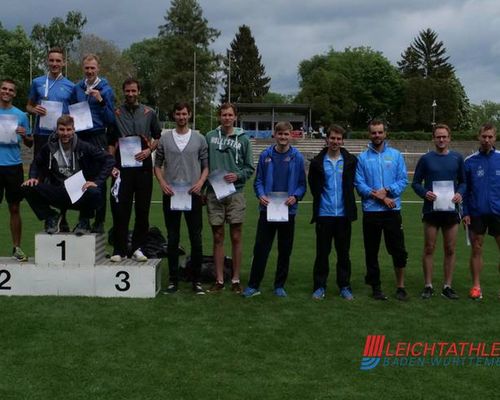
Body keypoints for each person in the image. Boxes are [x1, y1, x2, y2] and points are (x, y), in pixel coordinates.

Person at [242, 121, 306, 298]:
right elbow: (258, 181)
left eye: (286, 134)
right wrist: (261, 195)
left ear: (291, 135)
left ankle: (279, 285)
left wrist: (295, 196)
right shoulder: (265, 155)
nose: (283, 137)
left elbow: (302, 185)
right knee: (261, 248)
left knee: (285, 250)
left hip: (288, 210)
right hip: (267, 210)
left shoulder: (297, 157)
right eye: (280, 134)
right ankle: (254, 285)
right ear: (275, 135)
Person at [22, 115, 114, 234]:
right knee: (27, 187)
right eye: (62, 129)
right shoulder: (49, 147)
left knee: (95, 191)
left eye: (68, 129)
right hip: (58, 190)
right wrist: (33, 177)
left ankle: (84, 220)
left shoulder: (84, 146)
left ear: (74, 130)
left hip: (79, 192)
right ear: (56, 130)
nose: (65, 133)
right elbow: (36, 162)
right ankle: (51, 216)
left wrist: (97, 181)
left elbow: (109, 160)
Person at [154, 102, 208, 294]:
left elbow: (206, 166)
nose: (181, 117)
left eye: (184, 113)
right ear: (174, 115)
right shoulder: (165, 139)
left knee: (196, 238)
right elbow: (157, 165)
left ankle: (196, 280)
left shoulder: (199, 138)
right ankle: (173, 280)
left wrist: (201, 183)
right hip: (172, 194)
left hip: (193, 194)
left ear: (189, 115)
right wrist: (162, 184)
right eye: (178, 114)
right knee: (173, 237)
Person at [108, 78, 161, 262]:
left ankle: (139, 248)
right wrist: (111, 164)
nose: (130, 94)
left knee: (142, 209)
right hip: (121, 167)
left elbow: (158, 137)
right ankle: (119, 249)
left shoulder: (149, 113)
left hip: (143, 168)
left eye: (133, 91)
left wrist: (149, 150)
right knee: (120, 209)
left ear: (139, 91)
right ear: (123, 92)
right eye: (127, 91)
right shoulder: (115, 113)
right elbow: (110, 141)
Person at [355, 119, 409, 300]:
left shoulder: (396, 155)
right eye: (373, 133)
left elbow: (403, 180)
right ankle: (375, 287)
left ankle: (400, 286)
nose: (377, 135)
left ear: (385, 133)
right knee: (371, 251)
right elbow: (359, 184)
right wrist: (380, 197)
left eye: (379, 132)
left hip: (392, 211)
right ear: (369, 134)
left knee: (398, 250)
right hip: (371, 212)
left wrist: (387, 191)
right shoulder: (362, 158)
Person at [412, 124, 466, 300]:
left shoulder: (457, 158)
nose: (441, 140)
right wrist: (424, 193)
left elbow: (464, 182)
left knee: (450, 248)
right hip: (431, 211)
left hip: (451, 210)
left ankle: (447, 286)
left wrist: (459, 193)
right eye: (438, 137)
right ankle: (428, 285)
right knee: (429, 248)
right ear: (433, 138)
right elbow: (416, 183)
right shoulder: (426, 159)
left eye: (444, 136)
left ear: (449, 138)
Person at [205, 103, 254, 293]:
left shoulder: (244, 140)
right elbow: (204, 165)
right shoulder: (209, 137)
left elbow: (250, 167)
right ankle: (219, 279)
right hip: (214, 193)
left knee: (236, 236)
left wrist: (238, 175)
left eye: (230, 115)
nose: (227, 118)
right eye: (223, 114)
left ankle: (235, 279)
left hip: (235, 193)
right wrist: (203, 190)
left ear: (235, 117)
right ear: (219, 117)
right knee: (217, 236)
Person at [308, 125, 357, 300]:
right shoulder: (317, 162)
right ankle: (319, 286)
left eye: (338, 138)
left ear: (343, 140)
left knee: (344, 254)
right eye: (332, 138)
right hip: (324, 214)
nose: (335, 142)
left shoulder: (351, 161)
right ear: (326, 139)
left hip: (344, 215)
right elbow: (314, 187)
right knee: (322, 253)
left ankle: (344, 286)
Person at [71, 53, 115, 233]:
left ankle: (99, 220)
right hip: (81, 137)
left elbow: (111, 119)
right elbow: (72, 110)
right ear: (83, 68)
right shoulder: (77, 88)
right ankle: (83, 219)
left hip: (98, 136)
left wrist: (101, 100)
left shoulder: (106, 89)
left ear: (98, 69)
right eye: (87, 68)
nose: (89, 71)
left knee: (100, 180)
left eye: (92, 68)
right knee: (81, 178)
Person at [463, 122, 500, 300]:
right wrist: (465, 213)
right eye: (484, 136)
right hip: (477, 212)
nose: (486, 140)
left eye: (490, 137)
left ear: (495, 138)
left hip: (498, 213)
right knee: (476, 249)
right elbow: (464, 189)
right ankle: (476, 286)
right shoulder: (469, 162)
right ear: (479, 137)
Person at [0, 79, 33, 261]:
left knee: (14, 207)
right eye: (4, 88)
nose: (6, 92)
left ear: (14, 94)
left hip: (13, 166)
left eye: (10, 90)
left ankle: (16, 248)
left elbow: (29, 142)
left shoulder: (21, 115)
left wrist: (24, 134)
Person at [26, 48, 74, 156]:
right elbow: (28, 106)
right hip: (41, 133)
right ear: (47, 61)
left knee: (62, 168)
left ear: (64, 63)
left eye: (58, 61)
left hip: (63, 134)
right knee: (41, 168)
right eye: (51, 60)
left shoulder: (71, 86)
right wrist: (34, 110)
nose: (54, 64)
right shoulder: (37, 82)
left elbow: (75, 112)